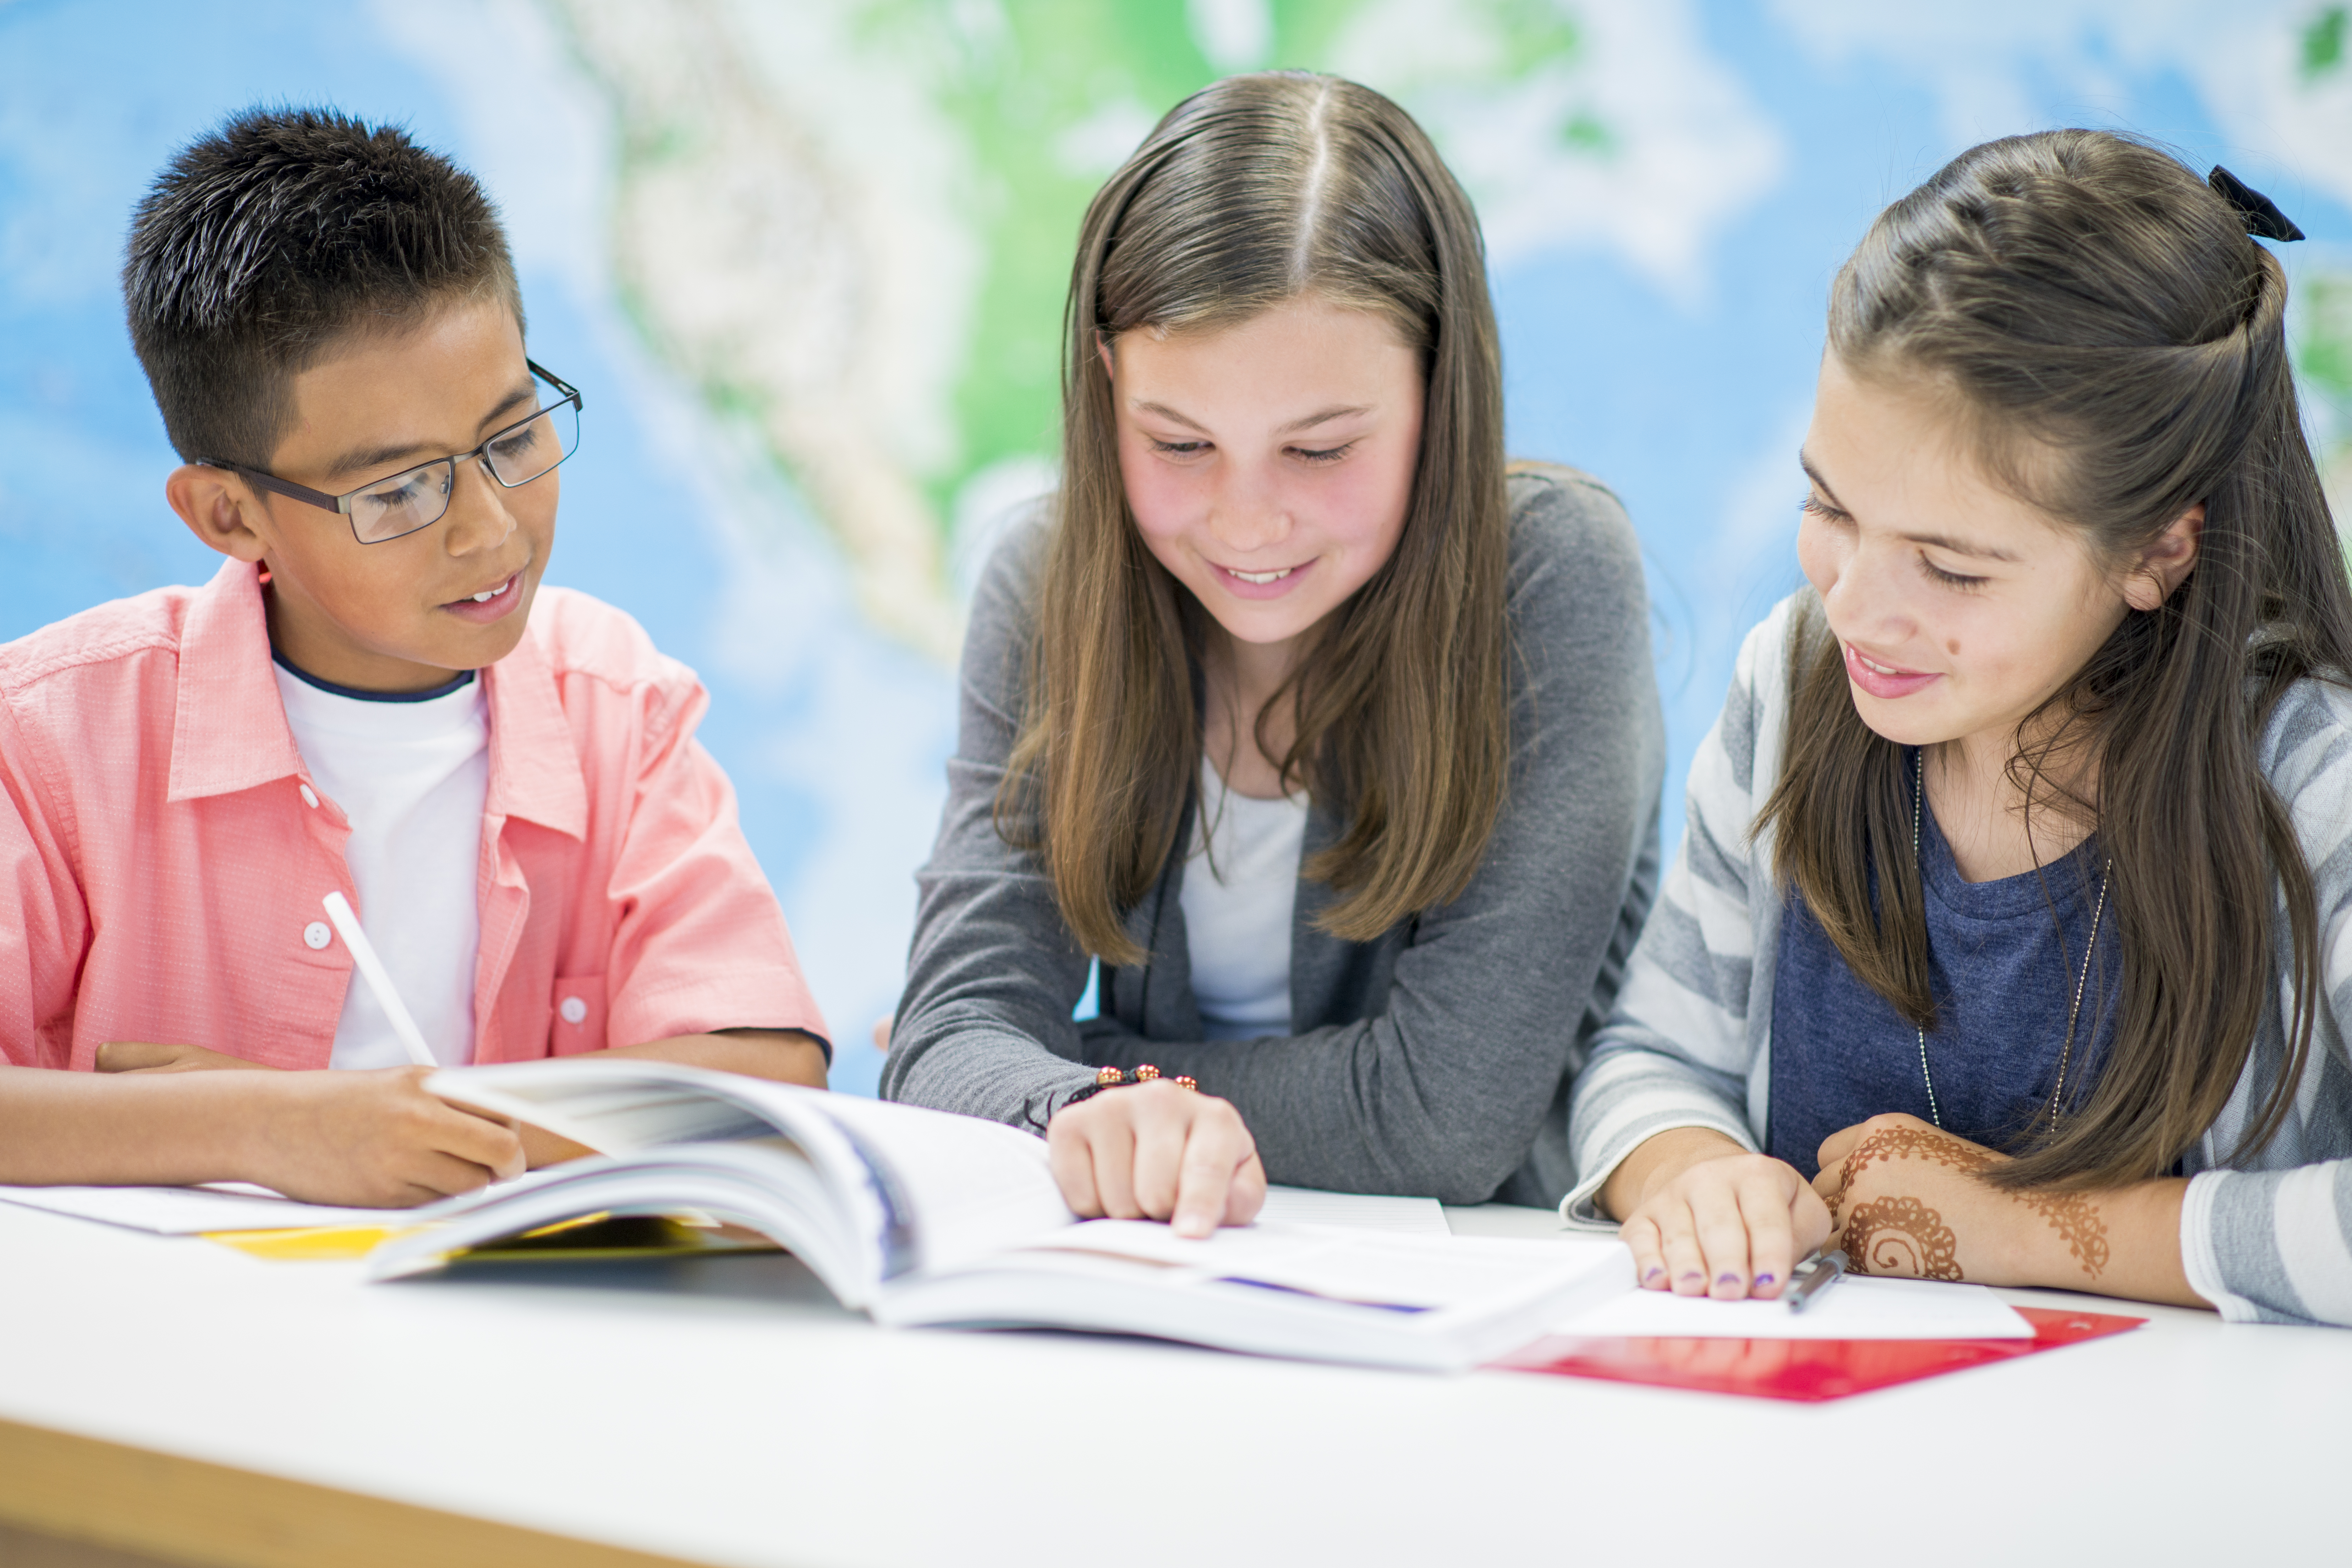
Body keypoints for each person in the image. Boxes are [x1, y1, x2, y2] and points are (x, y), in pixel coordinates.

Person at [1570, 129, 2352, 1325]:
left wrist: (2023, 1227)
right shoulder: (1791, 685)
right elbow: (1651, 1056)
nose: (1854, 605)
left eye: (1950, 567)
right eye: (1829, 505)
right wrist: (1689, 1171)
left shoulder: (2309, 781)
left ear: (2156, 551)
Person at [0, 109, 830, 1206]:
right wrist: (263, 1125)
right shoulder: (53, 733)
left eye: (515, 437)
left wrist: (377, 1126)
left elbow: (766, 1078)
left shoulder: (614, 703)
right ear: (228, 514)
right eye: (396, 489)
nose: (490, 529)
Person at [884, 72, 1665, 1235]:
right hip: (1194, 1273)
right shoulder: (1047, 582)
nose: (1246, 522)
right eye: (1181, 441)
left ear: (1437, 396)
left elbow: (1444, 1120)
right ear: (1107, 391)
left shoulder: (1549, 576)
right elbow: (947, 1044)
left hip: (1503, 1288)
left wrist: (1088, 1070)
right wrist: (1037, 1077)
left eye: (1317, 449)